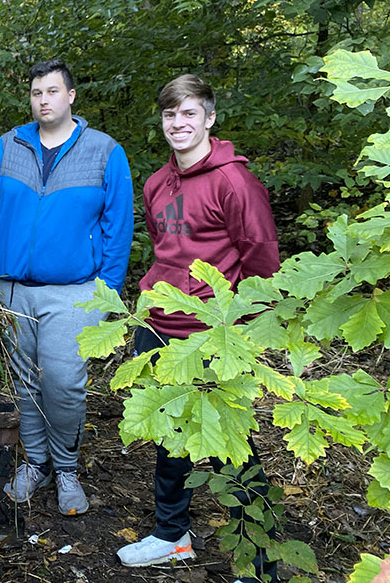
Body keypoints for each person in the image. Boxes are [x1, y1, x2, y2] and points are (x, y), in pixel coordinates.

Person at [115, 74, 280, 583]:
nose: (178, 124)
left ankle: (260, 560)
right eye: (170, 115)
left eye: (189, 113)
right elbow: (167, 252)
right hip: (159, 326)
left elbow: (263, 261)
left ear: (209, 118)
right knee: (168, 433)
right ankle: (172, 536)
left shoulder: (235, 181)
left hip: (212, 333)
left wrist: (243, 333)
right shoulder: (156, 183)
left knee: (232, 444)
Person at [0, 59, 134, 515]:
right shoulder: (9, 146)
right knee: (25, 385)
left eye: (51, 91)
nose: (43, 100)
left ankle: (66, 468)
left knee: (64, 383)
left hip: (74, 290)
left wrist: (106, 290)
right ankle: (36, 463)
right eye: (36, 93)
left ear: (70, 96)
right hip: (11, 289)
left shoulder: (103, 151)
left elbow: (118, 226)